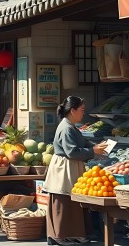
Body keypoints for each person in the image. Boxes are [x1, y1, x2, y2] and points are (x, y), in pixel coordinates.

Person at [45, 96, 108, 245]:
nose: (83, 113)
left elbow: (82, 142)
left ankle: (72, 233)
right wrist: (93, 151)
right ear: (73, 111)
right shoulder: (66, 128)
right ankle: (60, 235)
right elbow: (72, 152)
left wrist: (95, 147)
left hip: (71, 166)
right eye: (82, 110)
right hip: (65, 167)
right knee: (64, 199)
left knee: (72, 201)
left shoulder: (71, 126)